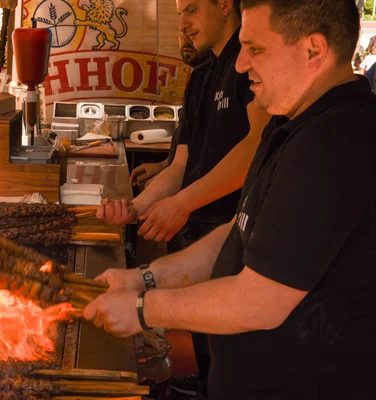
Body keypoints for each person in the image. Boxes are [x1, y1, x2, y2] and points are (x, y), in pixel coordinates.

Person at [85, 1, 376, 399]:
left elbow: (261, 301)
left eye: (255, 49)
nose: (240, 65)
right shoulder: (291, 126)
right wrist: (142, 278)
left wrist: (143, 309)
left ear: (313, 51)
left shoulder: (334, 144)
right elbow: (238, 232)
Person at [99, 0, 271, 395]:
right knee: (207, 341)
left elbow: (255, 150)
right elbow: (181, 164)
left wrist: (184, 202)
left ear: (225, 6)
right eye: (179, 14)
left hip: (237, 227)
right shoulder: (201, 75)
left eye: (191, 10)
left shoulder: (246, 70)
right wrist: (137, 208)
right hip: (199, 231)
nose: (184, 23)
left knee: (234, 346)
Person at [130, 31, 210, 189]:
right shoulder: (197, 79)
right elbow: (188, 151)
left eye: (193, 33)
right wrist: (162, 166)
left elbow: (207, 157)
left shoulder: (214, 83)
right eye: (182, 34)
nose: (186, 41)